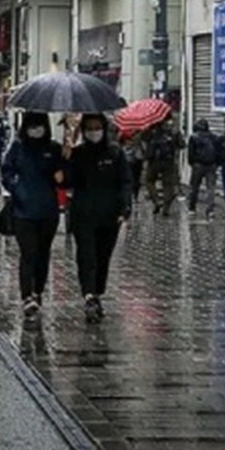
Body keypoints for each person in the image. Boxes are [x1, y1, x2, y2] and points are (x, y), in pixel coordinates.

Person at [65, 114, 131, 324]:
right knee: (86, 256)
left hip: (109, 215)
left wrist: (124, 207)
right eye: (90, 128)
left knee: (103, 257)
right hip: (83, 214)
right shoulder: (77, 154)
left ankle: (97, 293)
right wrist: (66, 158)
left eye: (97, 127)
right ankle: (89, 295)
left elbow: (125, 181)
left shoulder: (115, 153)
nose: (94, 132)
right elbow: (67, 181)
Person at [1, 111, 65, 322]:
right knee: (28, 253)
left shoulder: (54, 149)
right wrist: (16, 187)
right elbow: (6, 171)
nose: (36, 129)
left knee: (43, 253)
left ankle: (38, 290)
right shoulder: (18, 148)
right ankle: (26, 296)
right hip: (23, 211)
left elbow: (64, 176)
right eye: (32, 124)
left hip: (48, 211)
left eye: (40, 124)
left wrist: (62, 172)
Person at [142, 119, 184, 216]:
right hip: (168, 161)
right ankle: (166, 208)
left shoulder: (151, 130)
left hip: (153, 161)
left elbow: (143, 139)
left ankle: (156, 201)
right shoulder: (173, 131)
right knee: (168, 185)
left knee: (149, 181)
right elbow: (182, 145)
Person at [187, 118, 221, 218]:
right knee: (211, 188)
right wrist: (216, 163)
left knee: (194, 187)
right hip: (211, 165)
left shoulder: (193, 137)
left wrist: (192, 163)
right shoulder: (214, 137)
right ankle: (210, 210)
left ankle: (192, 208)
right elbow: (219, 151)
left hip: (198, 165)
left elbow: (190, 153)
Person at [122, 135, 145, 204]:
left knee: (135, 181)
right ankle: (130, 197)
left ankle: (134, 196)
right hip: (129, 165)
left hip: (135, 165)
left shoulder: (138, 146)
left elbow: (142, 155)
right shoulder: (123, 149)